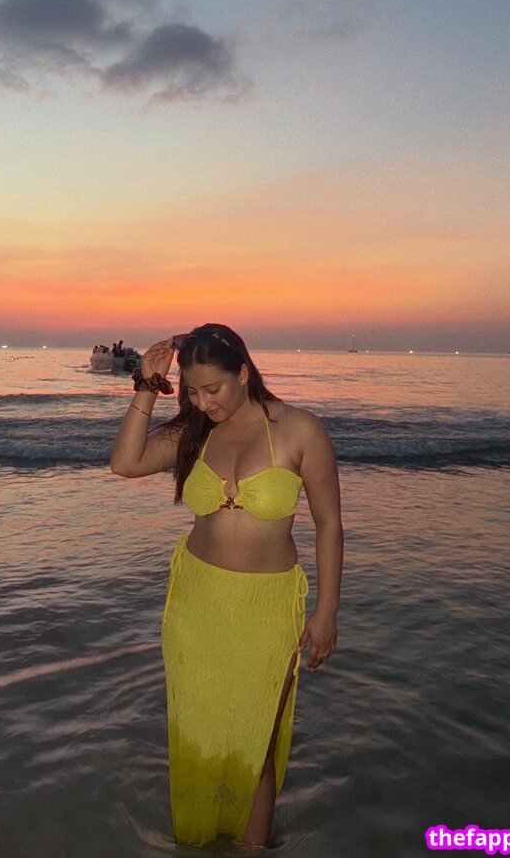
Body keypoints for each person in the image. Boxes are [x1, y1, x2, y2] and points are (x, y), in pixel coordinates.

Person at [110, 323, 343, 848]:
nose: (202, 402)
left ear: (242, 373)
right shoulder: (194, 433)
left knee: (257, 743)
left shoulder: (299, 430)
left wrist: (326, 610)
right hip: (197, 603)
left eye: (212, 389)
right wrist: (147, 386)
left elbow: (329, 524)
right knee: (200, 735)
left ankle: (251, 849)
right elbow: (124, 463)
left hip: (268, 608)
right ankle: (202, 840)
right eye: (191, 391)